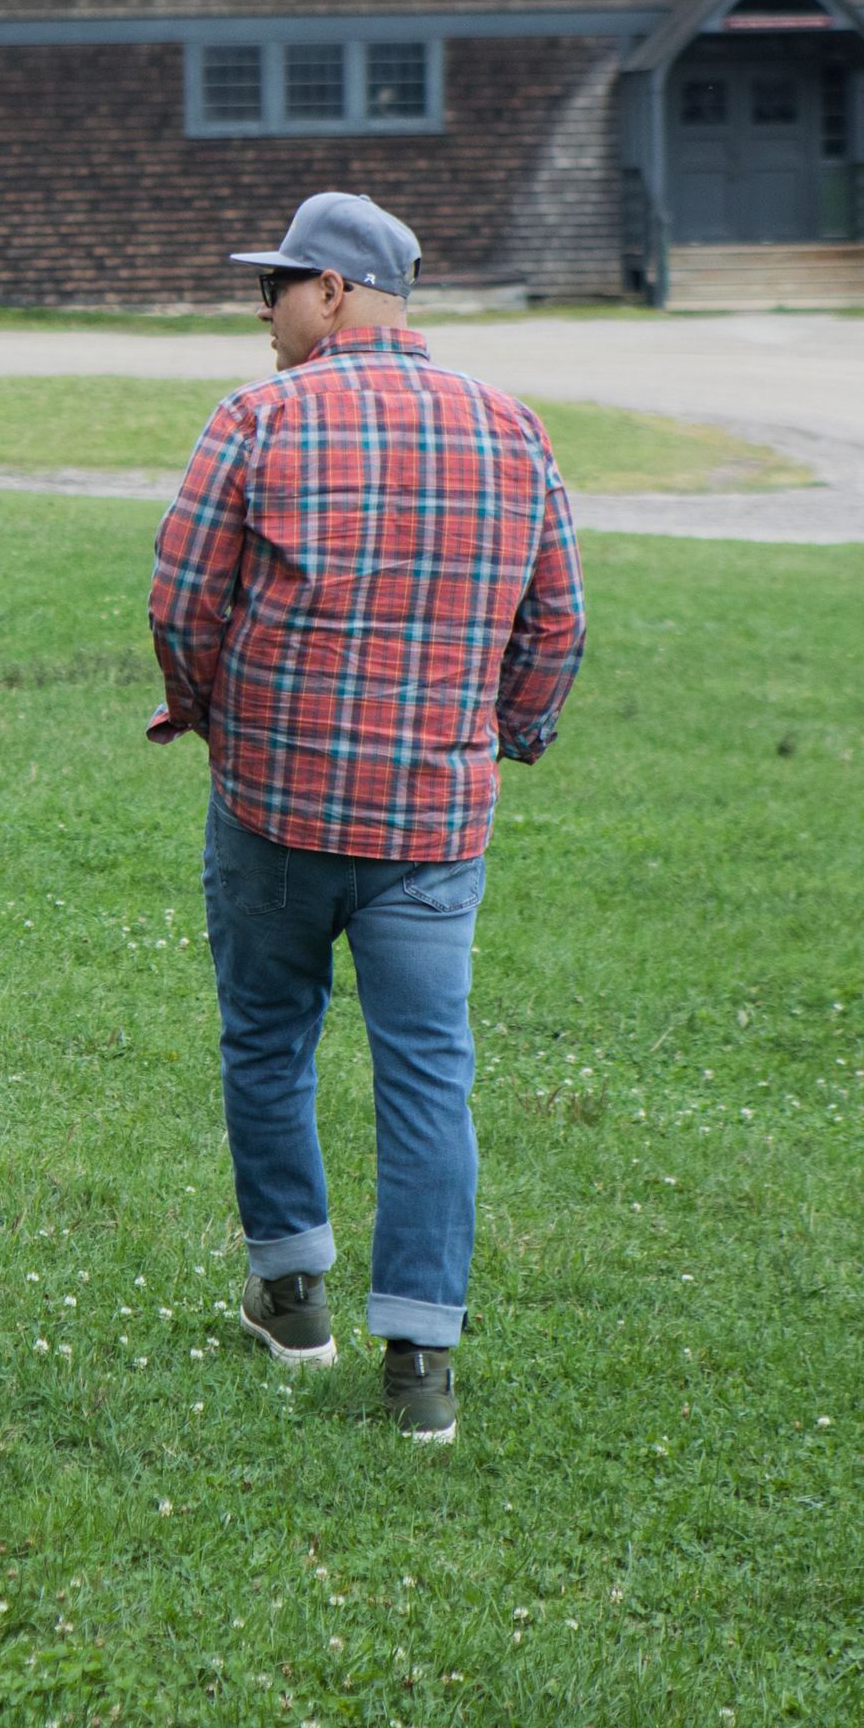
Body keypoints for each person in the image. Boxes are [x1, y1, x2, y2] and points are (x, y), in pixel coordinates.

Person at [146, 191, 585, 1443]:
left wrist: (208, 712)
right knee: (428, 1078)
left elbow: (181, 600)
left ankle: (292, 1296)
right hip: (433, 823)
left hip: (276, 807)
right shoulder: (511, 427)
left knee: (269, 1039)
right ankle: (422, 1363)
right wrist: (512, 729)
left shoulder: (260, 419)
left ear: (333, 292)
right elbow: (557, 623)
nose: (263, 313)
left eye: (273, 287)